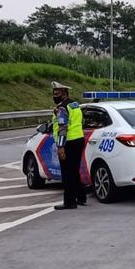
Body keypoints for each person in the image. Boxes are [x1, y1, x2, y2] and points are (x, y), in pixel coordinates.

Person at [51, 81, 86, 210]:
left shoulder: (61, 108)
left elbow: (62, 128)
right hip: (79, 139)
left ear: (64, 93)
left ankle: (69, 202)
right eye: (54, 93)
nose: (55, 96)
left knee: (67, 174)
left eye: (57, 93)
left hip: (68, 142)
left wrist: (60, 147)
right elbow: (79, 121)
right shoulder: (75, 104)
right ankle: (81, 197)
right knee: (74, 171)